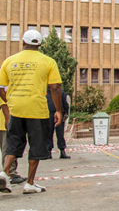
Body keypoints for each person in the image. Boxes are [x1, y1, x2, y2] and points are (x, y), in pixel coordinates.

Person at [0, 30, 63, 194]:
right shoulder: (48, 62)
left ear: (23, 42)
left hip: (16, 109)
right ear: (40, 45)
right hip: (37, 109)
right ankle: (29, 183)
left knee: (13, 143)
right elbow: (55, 87)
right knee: (36, 145)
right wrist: (58, 110)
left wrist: (10, 101)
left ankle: (4, 173)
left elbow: (1, 87)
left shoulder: (9, 61)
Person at [0, 92, 25, 184]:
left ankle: (11, 172)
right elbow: (3, 103)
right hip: (4, 123)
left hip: (8, 122)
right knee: (7, 149)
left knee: (10, 148)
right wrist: (8, 119)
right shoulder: (3, 90)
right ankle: (10, 173)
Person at [46, 87, 70, 159]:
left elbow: (65, 104)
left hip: (59, 114)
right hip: (48, 114)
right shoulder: (45, 92)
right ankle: (48, 151)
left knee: (60, 134)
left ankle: (62, 151)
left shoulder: (60, 92)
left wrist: (65, 114)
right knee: (49, 133)